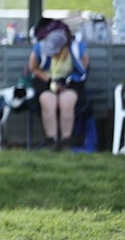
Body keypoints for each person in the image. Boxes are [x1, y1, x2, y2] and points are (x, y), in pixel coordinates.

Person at [27, 21, 89, 151]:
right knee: (48, 101)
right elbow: (33, 67)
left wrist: (68, 82)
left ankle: (66, 141)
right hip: (45, 82)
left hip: (72, 83)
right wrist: (50, 81)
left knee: (66, 102)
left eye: (56, 51)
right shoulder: (40, 48)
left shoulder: (77, 49)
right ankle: (52, 141)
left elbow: (85, 68)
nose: (53, 54)